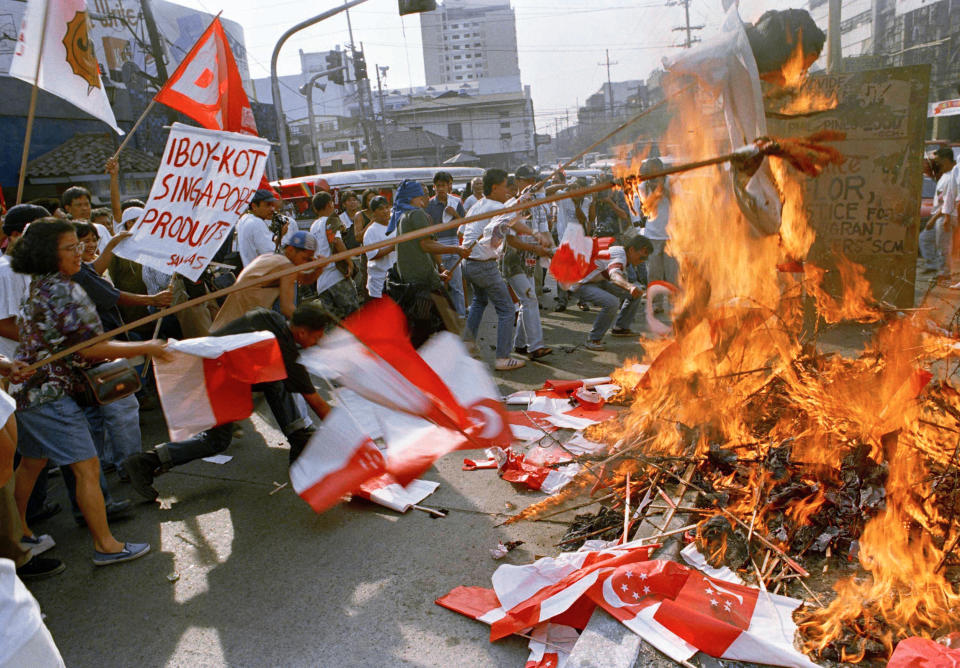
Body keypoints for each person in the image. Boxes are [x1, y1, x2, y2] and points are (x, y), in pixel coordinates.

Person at [11, 218, 168, 566]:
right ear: (48, 254)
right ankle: (106, 546)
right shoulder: (62, 289)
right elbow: (90, 348)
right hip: (48, 393)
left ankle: (18, 532)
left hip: (29, 391)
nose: (79, 252)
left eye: (78, 245)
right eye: (70, 248)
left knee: (33, 463)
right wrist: (148, 347)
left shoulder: (43, 283)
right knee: (86, 466)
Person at [124, 304, 333, 500]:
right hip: (214, 381)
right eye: (317, 337)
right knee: (216, 441)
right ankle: (146, 462)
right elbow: (316, 401)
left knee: (276, 381)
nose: (318, 342)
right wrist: (348, 435)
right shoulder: (286, 353)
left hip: (211, 366)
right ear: (303, 333)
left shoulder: (267, 317)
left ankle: (298, 438)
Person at [462, 169, 537, 371]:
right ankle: (502, 358)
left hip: (468, 263)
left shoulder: (478, 205)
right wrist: (533, 232)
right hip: (484, 265)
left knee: (479, 301)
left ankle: (467, 345)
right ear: (495, 187)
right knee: (505, 309)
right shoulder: (497, 207)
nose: (508, 190)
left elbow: (463, 231)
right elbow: (506, 228)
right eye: (505, 186)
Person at [393, 180, 469, 347]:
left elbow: (418, 250)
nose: (427, 196)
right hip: (423, 283)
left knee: (426, 328)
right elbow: (426, 245)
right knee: (444, 324)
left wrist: (438, 271)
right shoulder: (416, 214)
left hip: (418, 280)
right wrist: (456, 249)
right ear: (415, 196)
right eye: (424, 193)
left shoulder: (404, 215)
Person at [212, 231, 321, 329]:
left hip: (233, 325)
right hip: (239, 328)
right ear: (291, 250)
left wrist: (319, 268)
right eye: (305, 258)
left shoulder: (272, 258)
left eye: (310, 260)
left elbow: (303, 279)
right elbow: (287, 308)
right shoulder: (287, 267)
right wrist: (310, 326)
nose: (306, 263)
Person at [501, 165, 553, 361]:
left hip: (530, 260)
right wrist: (536, 248)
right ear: (519, 182)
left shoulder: (538, 206)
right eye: (529, 181)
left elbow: (545, 233)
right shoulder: (512, 206)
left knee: (528, 301)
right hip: (513, 259)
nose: (533, 185)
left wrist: (550, 249)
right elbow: (511, 240)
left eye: (535, 181)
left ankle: (520, 343)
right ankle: (536, 346)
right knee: (529, 299)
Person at [574, 235, 653, 350]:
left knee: (636, 293)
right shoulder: (620, 257)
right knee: (612, 302)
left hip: (597, 281)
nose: (641, 261)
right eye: (641, 257)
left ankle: (620, 328)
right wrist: (629, 287)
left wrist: (632, 288)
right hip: (581, 284)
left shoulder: (623, 253)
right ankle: (593, 339)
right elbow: (615, 276)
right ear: (631, 250)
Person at [308, 191, 359, 320]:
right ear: (330, 204)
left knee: (333, 324)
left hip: (322, 282)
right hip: (337, 278)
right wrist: (350, 263)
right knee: (353, 318)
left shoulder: (313, 226)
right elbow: (336, 241)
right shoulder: (331, 221)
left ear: (315, 208)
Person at [638, 158, 678, 309]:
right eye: (650, 173)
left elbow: (677, 200)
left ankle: (675, 303)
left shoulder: (671, 181)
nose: (653, 176)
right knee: (654, 273)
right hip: (653, 234)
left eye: (655, 172)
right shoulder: (643, 185)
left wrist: (663, 188)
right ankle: (657, 303)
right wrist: (654, 191)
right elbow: (646, 208)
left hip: (671, 235)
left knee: (672, 274)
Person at [426, 171, 467, 316]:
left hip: (454, 246)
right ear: (434, 187)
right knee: (438, 286)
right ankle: (442, 317)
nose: (441, 188)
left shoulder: (456, 202)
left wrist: (454, 214)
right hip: (437, 247)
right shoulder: (429, 204)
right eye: (439, 186)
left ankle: (461, 315)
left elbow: (465, 223)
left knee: (457, 285)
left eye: (444, 185)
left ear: (449, 186)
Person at [927, 148, 957, 280]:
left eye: (938, 161)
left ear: (945, 160)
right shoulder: (945, 176)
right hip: (941, 216)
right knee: (929, 240)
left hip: (943, 216)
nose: (936, 164)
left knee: (943, 246)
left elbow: (947, 202)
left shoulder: (951, 177)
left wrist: (934, 219)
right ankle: (939, 268)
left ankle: (944, 273)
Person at [362, 196, 395, 299]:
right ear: (373, 213)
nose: (385, 211)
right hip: (379, 283)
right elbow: (372, 255)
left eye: (387, 207)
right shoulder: (370, 232)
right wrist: (393, 247)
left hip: (396, 281)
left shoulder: (396, 225)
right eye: (381, 209)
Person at [236, 189, 280, 268]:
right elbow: (270, 254)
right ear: (254, 206)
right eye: (268, 205)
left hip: (252, 272)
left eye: (272, 205)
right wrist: (281, 235)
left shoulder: (243, 219)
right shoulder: (256, 223)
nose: (272, 209)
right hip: (262, 274)